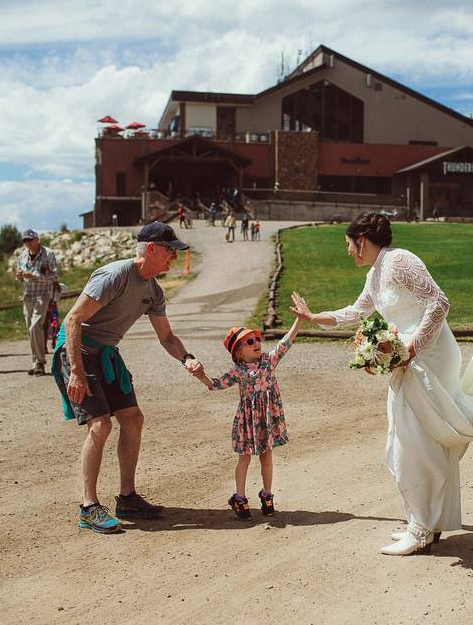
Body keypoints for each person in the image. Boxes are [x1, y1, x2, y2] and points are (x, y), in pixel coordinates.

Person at [290, 212, 473, 556]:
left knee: (417, 440)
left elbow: (439, 303)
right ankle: (424, 520)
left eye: (348, 245)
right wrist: (313, 317)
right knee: (408, 436)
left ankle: (421, 528)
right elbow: (356, 312)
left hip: (429, 356)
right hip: (406, 357)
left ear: (362, 240)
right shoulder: (375, 273)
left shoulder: (401, 260)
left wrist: (411, 346)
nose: (348, 252)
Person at [52, 222, 201, 534]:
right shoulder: (115, 275)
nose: (172, 258)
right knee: (101, 424)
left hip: (106, 353)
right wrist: (77, 372)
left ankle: (127, 498)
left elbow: (167, 337)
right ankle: (88, 507)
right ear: (151, 249)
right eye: (170, 251)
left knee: (132, 419)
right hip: (78, 349)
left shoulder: (153, 290)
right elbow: (73, 319)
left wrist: (187, 358)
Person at [190, 315, 303, 519]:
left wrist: (300, 320)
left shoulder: (269, 361)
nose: (256, 343)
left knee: (267, 456)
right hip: (248, 421)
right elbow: (216, 384)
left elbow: (286, 342)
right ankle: (240, 498)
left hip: (267, 419)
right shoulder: (239, 370)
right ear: (239, 353)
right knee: (245, 458)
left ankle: (267, 495)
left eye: (257, 339)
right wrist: (201, 377)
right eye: (249, 342)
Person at [16, 229, 58, 376]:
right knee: (31, 329)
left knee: (35, 326)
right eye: (25, 241)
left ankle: (40, 361)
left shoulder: (48, 254)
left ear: (37, 240)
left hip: (42, 294)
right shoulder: (22, 256)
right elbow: (19, 275)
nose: (28, 243)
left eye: (30, 240)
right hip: (27, 295)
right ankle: (36, 362)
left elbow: (54, 275)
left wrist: (34, 276)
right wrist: (20, 276)